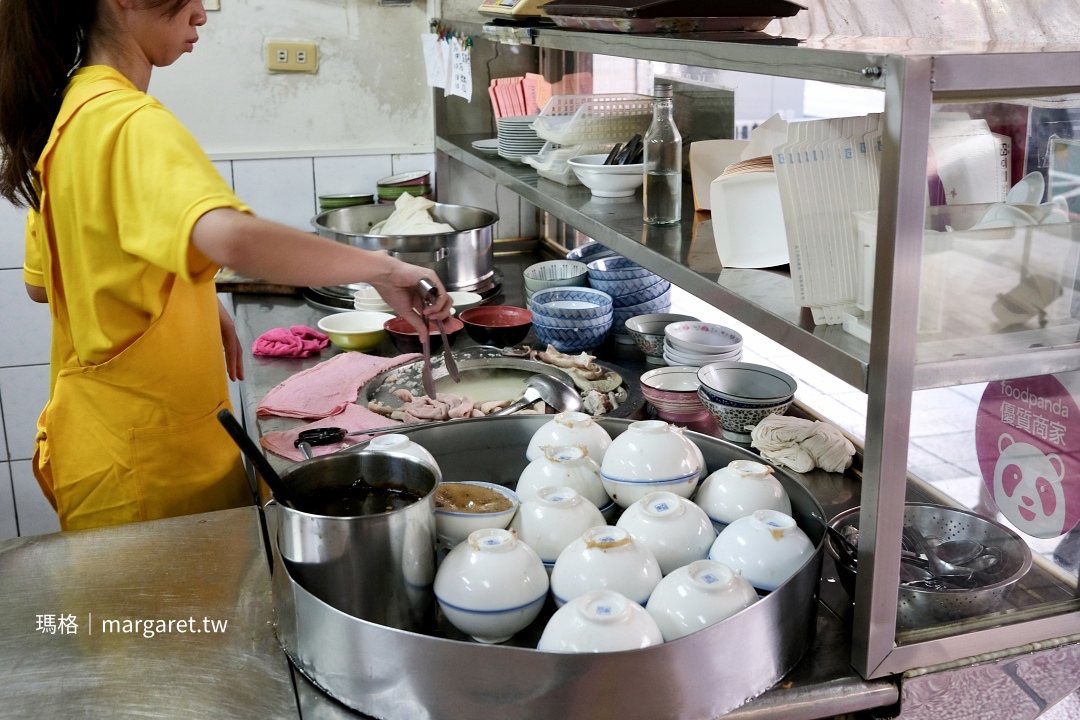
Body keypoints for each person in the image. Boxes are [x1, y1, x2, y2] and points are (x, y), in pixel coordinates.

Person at [0, 0, 452, 531]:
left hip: (100, 449)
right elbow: (232, 238)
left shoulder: (73, 111)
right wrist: (381, 268)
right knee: (174, 617)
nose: (201, 14)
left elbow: (50, 283)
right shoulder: (128, 120)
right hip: (156, 472)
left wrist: (183, 300)